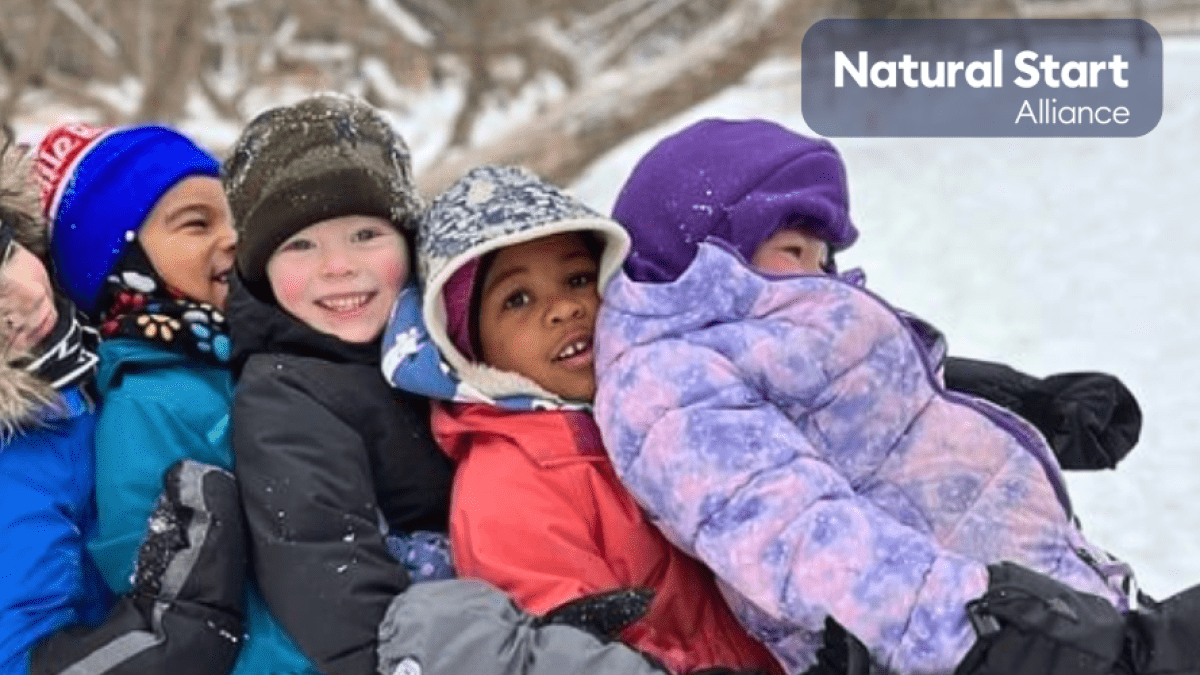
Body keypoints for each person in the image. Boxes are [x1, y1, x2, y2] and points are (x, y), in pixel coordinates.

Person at [591, 118, 1199, 675]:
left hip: (1060, 612)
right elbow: (801, 536)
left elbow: (881, 401)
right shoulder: (666, 382)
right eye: (792, 250)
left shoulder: (752, 331)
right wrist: (989, 633)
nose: (818, 275)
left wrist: (1023, 401)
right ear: (699, 249)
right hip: (971, 646)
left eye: (824, 256)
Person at [382, 164, 781, 674]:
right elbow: (570, 650)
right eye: (517, 300)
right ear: (468, 348)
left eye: (577, 279)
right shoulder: (507, 484)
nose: (563, 307)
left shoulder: (666, 405)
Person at [33, 121, 318, 675]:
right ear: (123, 263)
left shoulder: (255, 354)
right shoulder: (146, 404)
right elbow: (175, 612)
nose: (232, 236)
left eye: (234, 216)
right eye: (196, 224)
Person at [223, 93, 456, 675]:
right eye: (300, 245)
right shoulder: (285, 395)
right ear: (259, 269)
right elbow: (332, 584)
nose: (337, 267)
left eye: (365, 235)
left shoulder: (449, 340)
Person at [1, 127, 246, 675]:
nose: (17, 292)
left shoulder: (86, 359)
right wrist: (178, 629)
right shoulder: (20, 452)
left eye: (5, 250)